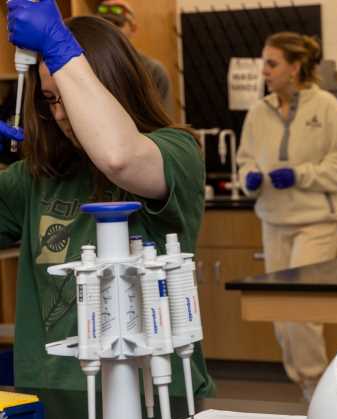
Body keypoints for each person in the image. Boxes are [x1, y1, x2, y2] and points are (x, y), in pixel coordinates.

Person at [0, 2, 214, 396]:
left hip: (160, 394)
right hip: (56, 399)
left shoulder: (175, 151)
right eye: (51, 99)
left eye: (70, 95)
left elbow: (119, 157)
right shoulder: (38, 178)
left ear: (114, 88)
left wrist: (59, 48)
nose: (62, 114)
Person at [236, 32, 337, 400]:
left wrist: (301, 174)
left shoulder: (326, 107)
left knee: (299, 313)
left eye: (272, 63)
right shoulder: (259, 112)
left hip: (316, 222)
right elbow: (244, 161)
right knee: (280, 316)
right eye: (264, 63)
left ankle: (320, 392)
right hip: (273, 220)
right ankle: (313, 390)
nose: (265, 71)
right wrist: (249, 180)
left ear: (294, 67)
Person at [95, 0, 172, 113]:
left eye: (117, 24)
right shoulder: (89, 67)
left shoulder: (153, 71)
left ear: (133, 28)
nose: (110, 30)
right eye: (104, 24)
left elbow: (164, 125)